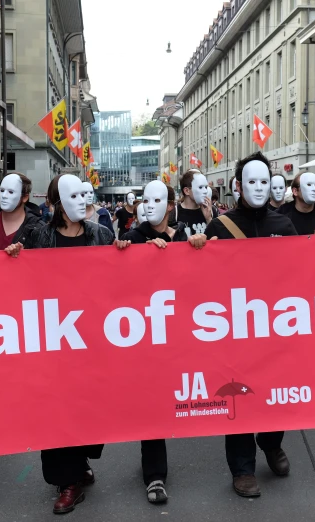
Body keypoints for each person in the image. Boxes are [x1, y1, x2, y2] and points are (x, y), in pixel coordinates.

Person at [202, 152, 315, 498]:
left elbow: (304, 274)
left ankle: (272, 443)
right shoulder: (219, 227)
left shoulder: (283, 225)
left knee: (278, 392)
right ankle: (242, 468)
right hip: (236, 333)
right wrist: (195, 248)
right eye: (252, 182)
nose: (259, 189)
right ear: (238, 187)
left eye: (264, 182)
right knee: (241, 396)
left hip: (277, 330)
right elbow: (200, 284)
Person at [22, 174, 114, 514]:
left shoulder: (102, 235)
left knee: (86, 406)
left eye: (83, 194)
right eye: (70, 196)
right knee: (57, 408)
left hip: (92, 338)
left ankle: (79, 464)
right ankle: (68, 481)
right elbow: (23, 284)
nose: (80, 201)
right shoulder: (38, 237)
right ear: (55, 203)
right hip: (54, 338)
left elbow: (117, 283)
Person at [115, 181, 207, 504]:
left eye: (159, 200)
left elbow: (202, 279)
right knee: (150, 402)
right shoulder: (132, 237)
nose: (151, 205)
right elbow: (117, 286)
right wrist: (127, 254)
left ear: (170, 206)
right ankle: (155, 475)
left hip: (182, 333)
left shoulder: (182, 236)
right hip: (146, 334)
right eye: (146, 199)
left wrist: (198, 246)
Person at [171, 169, 216, 237]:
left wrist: (209, 219)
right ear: (187, 191)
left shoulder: (210, 210)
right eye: (200, 187)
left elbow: (218, 239)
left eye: (206, 187)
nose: (205, 191)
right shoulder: (174, 212)